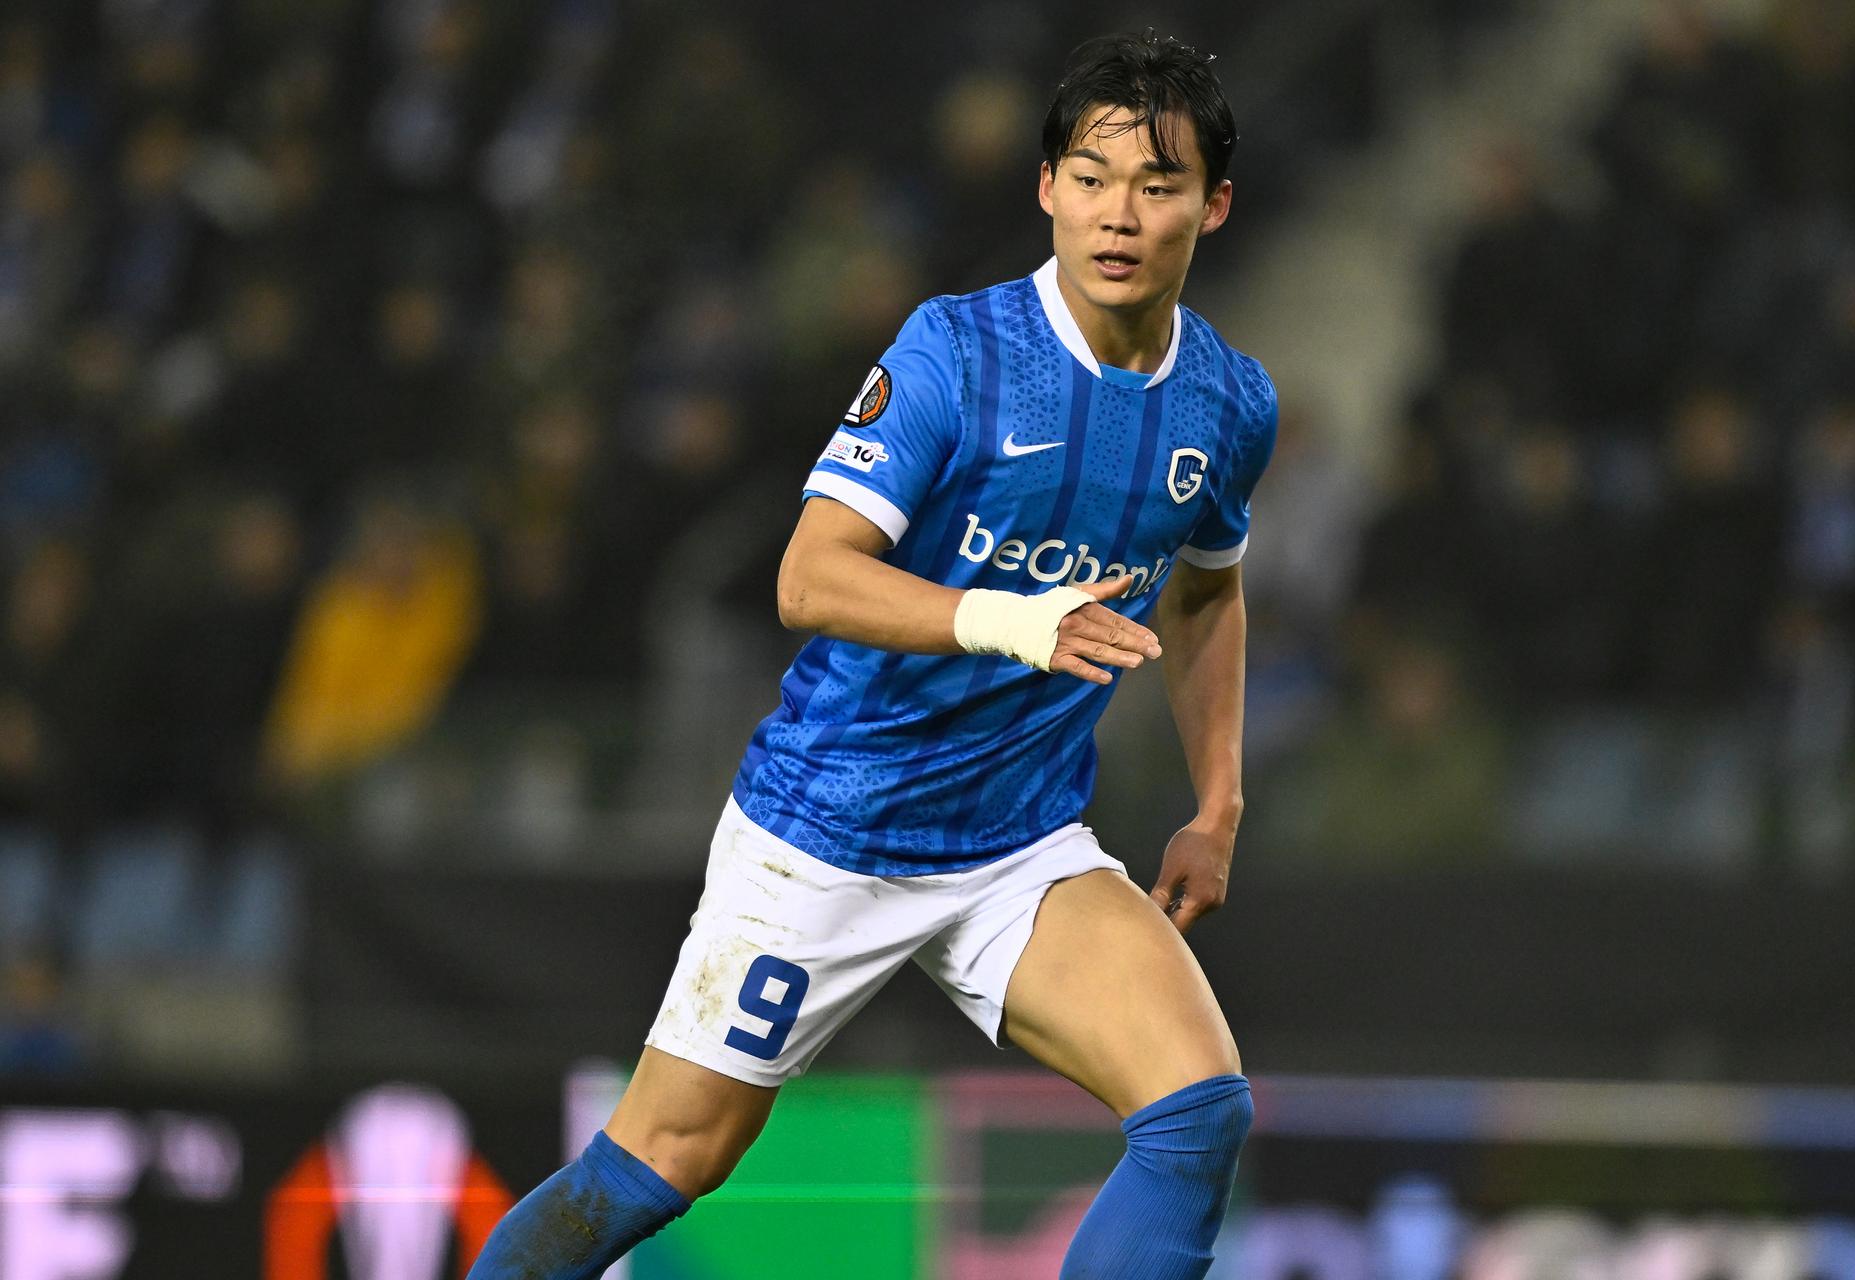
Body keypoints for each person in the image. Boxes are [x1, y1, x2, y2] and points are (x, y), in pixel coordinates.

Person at [470, 30, 1277, 1279]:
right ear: (1048, 187)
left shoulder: (1227, 403)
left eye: (1157, 185)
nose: (1121, 214)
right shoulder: (956, 354)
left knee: (1198, 1111)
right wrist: (1016, 620)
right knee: (658, 1164)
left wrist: (1218, 801)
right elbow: (808, 576)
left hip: (1017, 842)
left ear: (1212, 205)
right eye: (1093, 175)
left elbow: (1208, 596)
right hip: (831, 827)